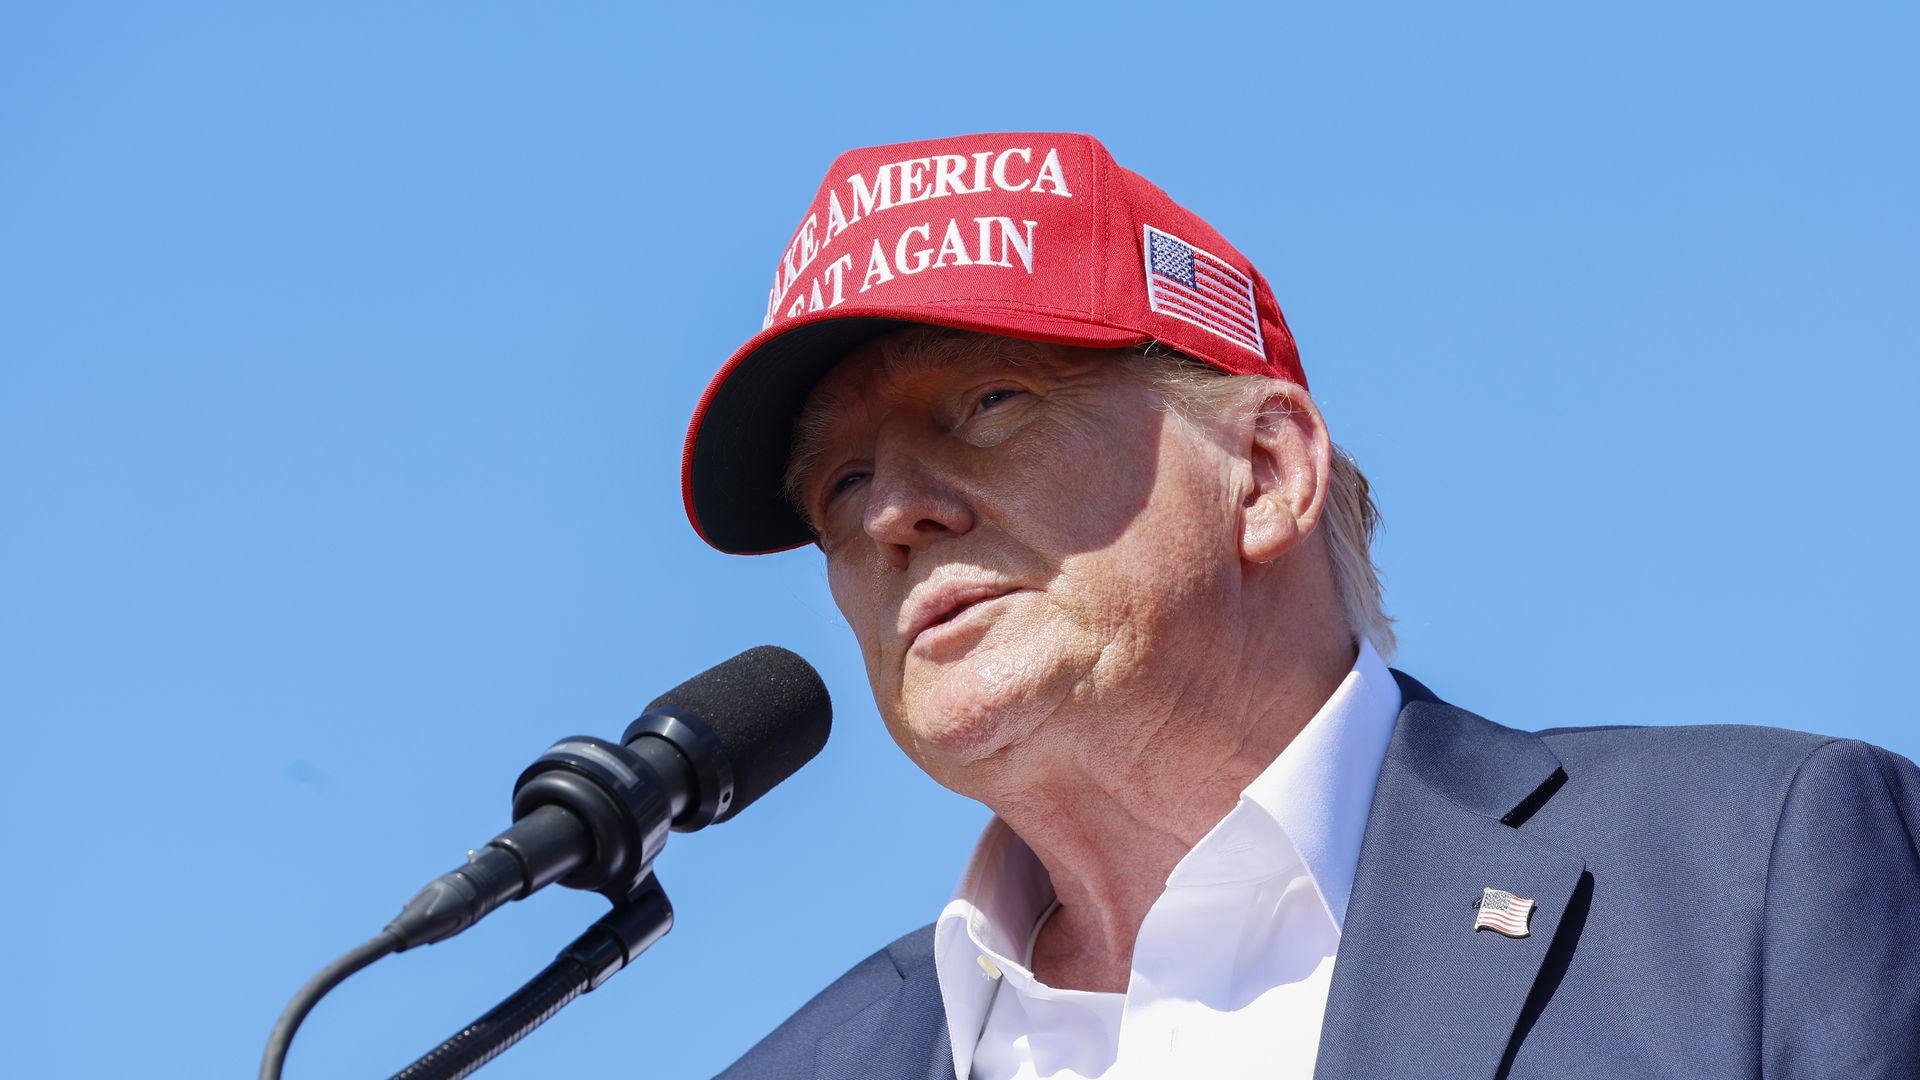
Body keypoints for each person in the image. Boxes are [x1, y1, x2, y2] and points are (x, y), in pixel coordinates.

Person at [678, 133, 1920, 1079]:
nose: (893, 509)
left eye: (993, 404)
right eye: (838, 483)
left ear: (1266, 473)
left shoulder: (1752, 880)